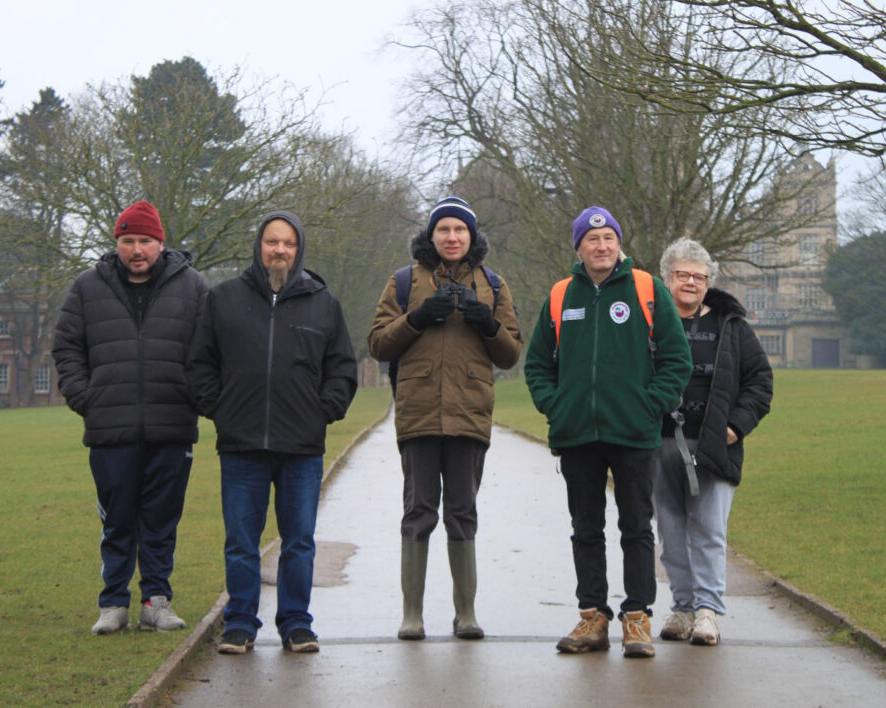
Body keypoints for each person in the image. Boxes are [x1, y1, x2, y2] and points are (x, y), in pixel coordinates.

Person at [524, 206, 691, 658]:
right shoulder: (561, 296)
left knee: (636, 527)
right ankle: (592, 616)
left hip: (634, 434)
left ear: (619, 244)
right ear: (578, 247)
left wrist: (647, 407)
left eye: (609, 238)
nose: (602, 246)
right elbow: (538, 363)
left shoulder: (646, 289)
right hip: (577, 434)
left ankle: (637, 618)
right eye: (592, 239)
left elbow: (677, 360)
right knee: (585, 528)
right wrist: (554, 405)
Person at [188, 211, 357, 655]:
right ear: (258, 246)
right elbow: (199, 363)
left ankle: (297, 624)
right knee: (241, 542)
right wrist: (219, 410)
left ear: (298, 249)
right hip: (242, 446)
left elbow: (341, 368)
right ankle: (240, 623)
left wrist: (324, 411)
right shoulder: (222, 299)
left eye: (288, 243)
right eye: (271, 241)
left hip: (301, 448)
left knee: (299, 542)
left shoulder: (324, 304)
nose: (279, 250)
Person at [368, 196, 523, 641]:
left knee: (462, 512)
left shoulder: (493, 284)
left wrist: (486, 323)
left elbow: (511, 352)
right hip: (418, 413)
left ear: (471, 237)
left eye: (460, 230)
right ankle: (412, 615)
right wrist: (417, 318)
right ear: (431, 236)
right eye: (444, 230)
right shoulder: (402, 281)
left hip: (469, 414)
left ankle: (466, 613)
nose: (452, 237)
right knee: (418, 511)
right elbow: (378, 344)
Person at [52, 200, 206, 635]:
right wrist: (86, 397)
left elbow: (209, 349)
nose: (136, 249)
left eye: (144, 241)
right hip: (110, 429)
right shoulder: (87, 287)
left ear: (160, 243)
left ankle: (156, 601)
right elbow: (66, 347)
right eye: (127, 241)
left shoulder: (193, 287)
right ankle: (113, 603)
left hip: (172, 425)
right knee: (116, 520)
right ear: (116, 243)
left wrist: (193, 395)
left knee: (161, 520)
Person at [653, 238, 773, 646]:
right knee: (669, 534)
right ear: (667, 277)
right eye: (682, 274)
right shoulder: (647, 321)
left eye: (698, 277)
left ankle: (708, 612)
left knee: (708, 530)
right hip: (659, 443)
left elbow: (760, 382)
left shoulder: (732, 327)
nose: (690, 282)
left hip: (713, 445)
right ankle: (682, 608)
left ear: (708, 282)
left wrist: (736, 426)